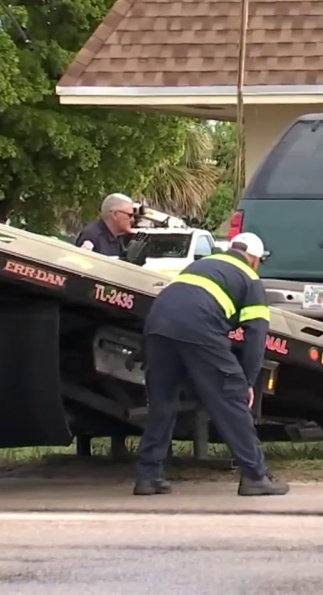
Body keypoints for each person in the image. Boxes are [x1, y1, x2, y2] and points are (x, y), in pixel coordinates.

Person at [132, 232, 289, 497]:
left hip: (158, 325)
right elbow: (256, 336)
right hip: (199, 328)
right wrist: (247, 383)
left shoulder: (200, 265)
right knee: (232, 398)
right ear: (253, 259)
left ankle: (148, 476)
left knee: (163, 403)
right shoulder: (250, 279)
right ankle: (254, 476)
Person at [75, 193, 135, 259]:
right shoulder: (93, 236)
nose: (132, 220)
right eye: (130, 215)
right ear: (115, 214)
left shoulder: (117, 237)